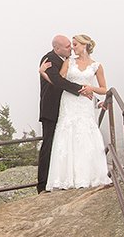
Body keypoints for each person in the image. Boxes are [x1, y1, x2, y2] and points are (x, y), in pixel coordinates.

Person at [43, 34, 112, 190]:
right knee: (67, 134)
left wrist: (91, 89)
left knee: (86, 135)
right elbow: (58, 82)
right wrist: (43, 73)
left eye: (75, 44)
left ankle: (87, 176)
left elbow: (104, 89)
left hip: (85, 104)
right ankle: (66, 178)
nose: (72, 47)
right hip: (69, 102)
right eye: (71, 45)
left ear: (85, 45)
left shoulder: (97, 66)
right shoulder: (68, 62)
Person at [36, 34, 84, 192]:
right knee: (49, 145)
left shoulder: (65, 61)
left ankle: (62, 178)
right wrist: (82, 90)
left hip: (65, 109)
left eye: (71, 45)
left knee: (62, 144)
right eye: (67, 46)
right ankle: (42, 184)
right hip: (51, 109)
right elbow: (57, 81)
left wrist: (94, 99)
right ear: (56, 48)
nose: (70, 48)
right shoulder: (49, 59)